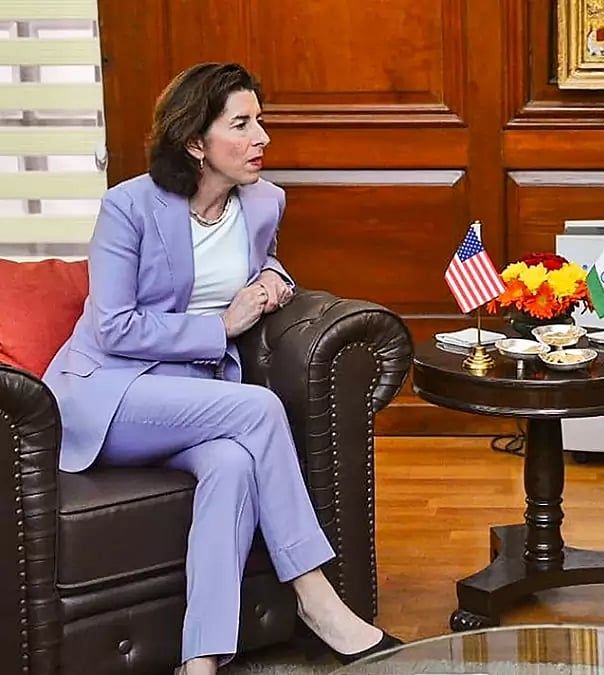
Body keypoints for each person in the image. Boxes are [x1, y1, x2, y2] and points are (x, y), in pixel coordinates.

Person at [41, 63, 402, 675]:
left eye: (261, 120)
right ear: (194, 141)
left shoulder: (263, 202)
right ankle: (317, 599)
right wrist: (222, 327)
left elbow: (268, 262)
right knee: (259, 409)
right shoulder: (128, 206)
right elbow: (113, 326)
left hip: (195, 396)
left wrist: (273, 279)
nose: (262, 137)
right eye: (242, 124)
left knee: (233, 465)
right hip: (108, 393)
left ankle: (200, 659)